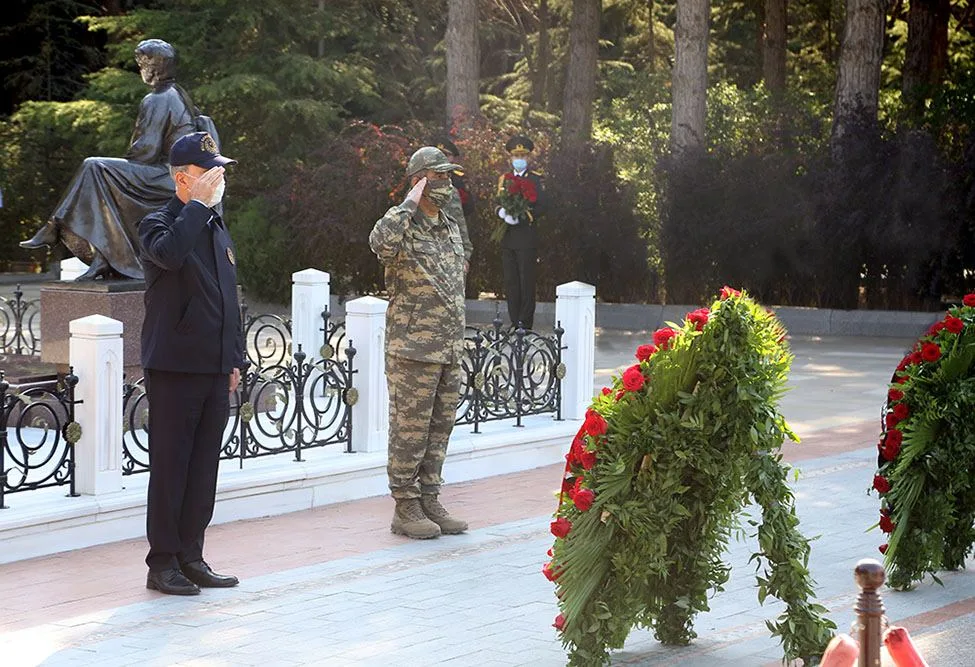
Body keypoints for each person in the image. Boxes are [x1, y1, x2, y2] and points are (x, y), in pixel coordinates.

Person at [139, 131, 245, 595]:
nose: (219, 178)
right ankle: (162, 563)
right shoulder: (158, 223)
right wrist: (197, 207)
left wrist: (234, 359)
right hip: (175, 367)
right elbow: (168, 255)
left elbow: (226, 297)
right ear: (183, 178)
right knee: (171, 469)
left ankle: (191, 556)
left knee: (203, 470)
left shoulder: (215, 226)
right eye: (210, 172)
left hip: (214, 367)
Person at [19, 39, 200, 281]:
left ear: (153, 68)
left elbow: (145, 151)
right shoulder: (177, 93)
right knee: (99, 173)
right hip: (177, 174)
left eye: (141, 65)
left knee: (95, 167)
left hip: (167, 175)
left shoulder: (158, 98)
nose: (140, 71)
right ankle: (100, 258)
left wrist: (123, 167)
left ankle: (57, 229)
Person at [369, 146, 470, 540]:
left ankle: (430, 497)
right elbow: (379, 243)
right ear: (419, 180)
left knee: (439, 430)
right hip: (412, 349)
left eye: (448, 176)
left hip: (449, 347)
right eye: (438, 176)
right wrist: (408, 203)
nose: (446, 183)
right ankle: (405, 505)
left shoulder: (449, 225)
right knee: (409, 431)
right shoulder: (401, 224)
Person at [496, 135, 545, 330]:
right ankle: (514, 320)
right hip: (508, 238)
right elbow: (496, 202)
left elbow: (543, 206)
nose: (519, 159)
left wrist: (523, 216)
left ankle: (525, 322)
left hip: (526, 237)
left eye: (523, 156)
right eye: (516, 156)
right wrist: (501, 212)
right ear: (510, 158)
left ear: (528, 158)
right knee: (511, 282)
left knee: (526, 281)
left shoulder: (536, 179)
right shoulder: (504, 179)